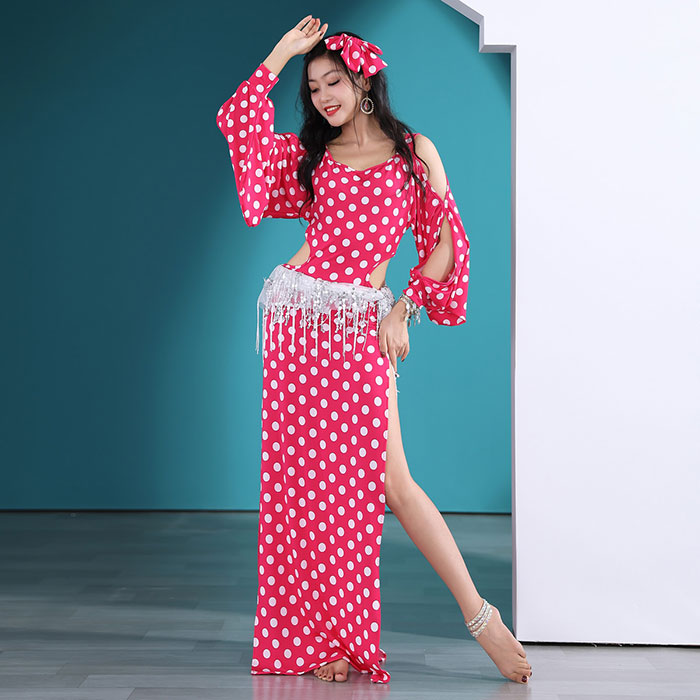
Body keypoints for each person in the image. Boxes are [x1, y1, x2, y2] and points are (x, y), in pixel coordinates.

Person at [216, 15, 532, 686]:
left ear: (364, 82)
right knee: (306, 493)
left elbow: (444, 242)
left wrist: (403, 307)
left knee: (391, 485)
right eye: (313, 88)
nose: (323, 96)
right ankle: (328, 640)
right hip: (300, 326)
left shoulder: (415, 153)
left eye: (333, 81)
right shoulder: (314, 158)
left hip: (360, 328)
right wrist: (279, 55)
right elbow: (240, 124)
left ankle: (482, 618)